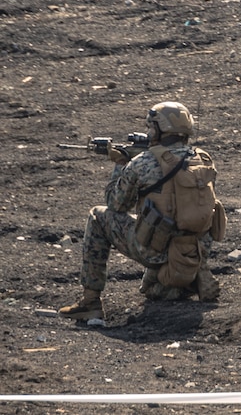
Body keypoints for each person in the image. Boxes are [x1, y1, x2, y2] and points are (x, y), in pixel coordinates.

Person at [59, 102, 223, 321]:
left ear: (158, 129)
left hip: (156, 249)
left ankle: (90, 301)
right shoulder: (203, 159)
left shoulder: (142, 162)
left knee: (98, 216)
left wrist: (120, 165)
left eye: (151, 127)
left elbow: (116, 204)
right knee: (155, 291)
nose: (148, 132)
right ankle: (187, 277)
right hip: (195, 248)